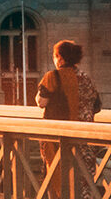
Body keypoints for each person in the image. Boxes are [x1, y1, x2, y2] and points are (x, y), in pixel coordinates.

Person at [35, 40, 101, 199]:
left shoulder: (52, 76)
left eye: (54, 56)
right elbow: (97, 106)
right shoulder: (85, 78)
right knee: (83, 184)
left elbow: (40, 102)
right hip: (85, 139)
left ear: (61, 59)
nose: (54, 59)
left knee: (58, 181)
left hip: (60, 140)